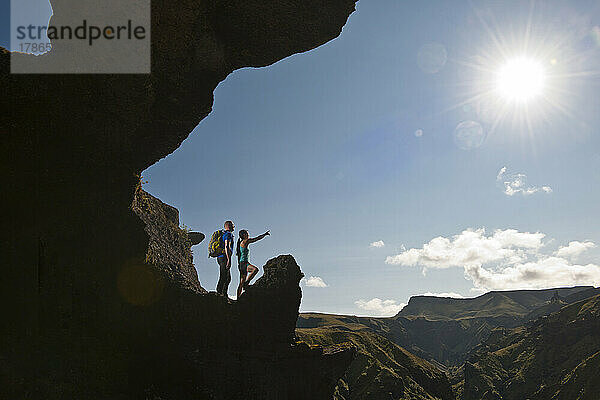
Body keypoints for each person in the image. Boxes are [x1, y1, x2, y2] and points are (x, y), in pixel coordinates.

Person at [236, 229, 270, 298]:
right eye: (247, 234)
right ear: (244, 235)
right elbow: (256, 239)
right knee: (255, 270)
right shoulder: (245, 241)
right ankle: (247, 283)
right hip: (244, 263)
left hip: (241, 264)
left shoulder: (241, 243)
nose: (248, 235)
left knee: (241, 282)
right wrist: (264, 234)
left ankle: (238, 298)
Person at [216, 220, 235, 297]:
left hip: (221, 257)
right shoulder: (228, 234)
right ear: (229, 226)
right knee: (224, 276)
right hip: (224, 257)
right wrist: (229, 260)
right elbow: (227, 246)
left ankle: (223, 293)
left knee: (227, 277)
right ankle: (219, 293)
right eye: (233, 225)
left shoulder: (224, 234)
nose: (234, 226)